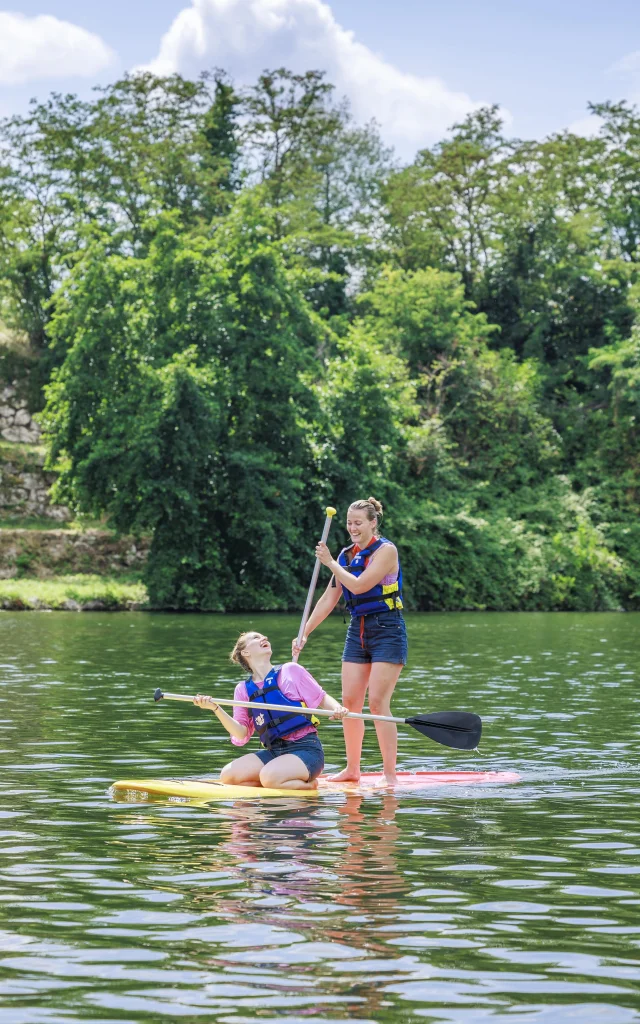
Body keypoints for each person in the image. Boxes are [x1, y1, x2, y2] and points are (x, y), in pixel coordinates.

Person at [292, 497, 407, 785]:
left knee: (378, 704)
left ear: (372, 523)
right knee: (350, 703)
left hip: (388, 628)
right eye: (349, 522)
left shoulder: (386, 551)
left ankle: (389, 775)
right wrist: (304, 632)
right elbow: (330, 598)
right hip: (358, 630)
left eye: (358, 523)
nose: (352, 528)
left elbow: (360, 585)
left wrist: (329, 562)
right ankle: (353, 769)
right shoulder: (345, 555)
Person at [193, 631, 348, 791]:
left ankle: (308, 785)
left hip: (306, 749)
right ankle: (276, 782)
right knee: (228, 776)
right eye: (256, 638)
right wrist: (216, 709)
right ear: (245, 652)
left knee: (269, 776)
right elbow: (240, 733)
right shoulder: (243, 690)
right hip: (274, 751)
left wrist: (337, 708)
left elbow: (321, 697)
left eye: (263, 636)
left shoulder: (291, 670)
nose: (264, 638)